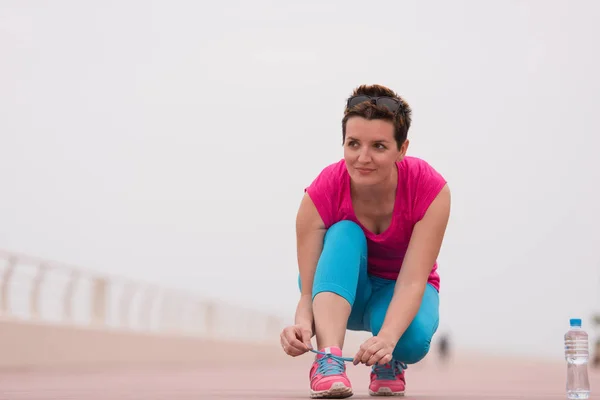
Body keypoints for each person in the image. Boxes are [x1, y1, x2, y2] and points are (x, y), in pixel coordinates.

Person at [279, 84, 451, 398]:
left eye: (379, 146)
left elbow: (413, 282)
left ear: (402, 149)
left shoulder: (430, 188)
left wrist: (387, 339)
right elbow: (307, 291)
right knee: (345, 231)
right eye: (353, 143)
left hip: (398, 290)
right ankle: (329, 361)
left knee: (410, 343)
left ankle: (388, 361)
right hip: (342, 291)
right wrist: (302, 325)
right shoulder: (321, 192)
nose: (363, 158)